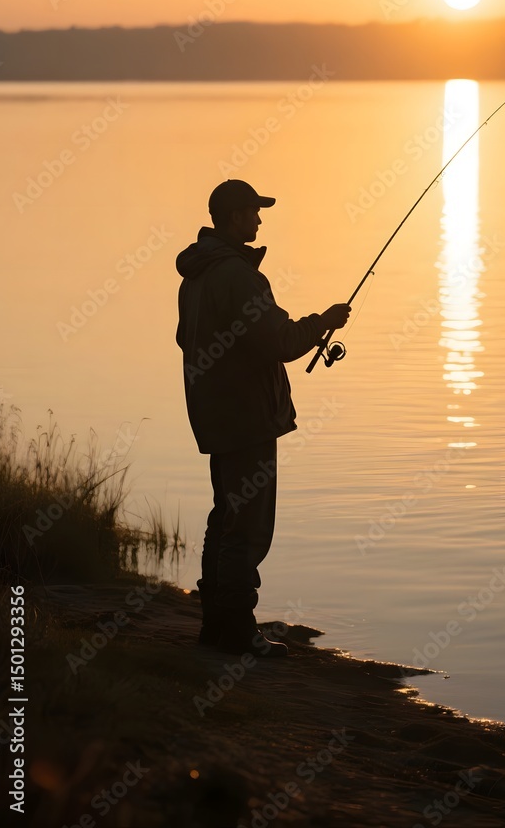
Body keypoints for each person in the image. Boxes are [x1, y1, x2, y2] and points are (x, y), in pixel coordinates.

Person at [175, 179, 350, 658]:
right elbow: (281, 341)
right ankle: (236, 631)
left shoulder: (196, 275)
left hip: (214, 415)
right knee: (247, 528)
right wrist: (323, 321)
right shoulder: (237, 274)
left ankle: (216, 625)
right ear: (234, 217)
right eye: (254, 211)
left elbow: (187, 339)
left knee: (224, 518)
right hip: (246, 417)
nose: (259, 219)